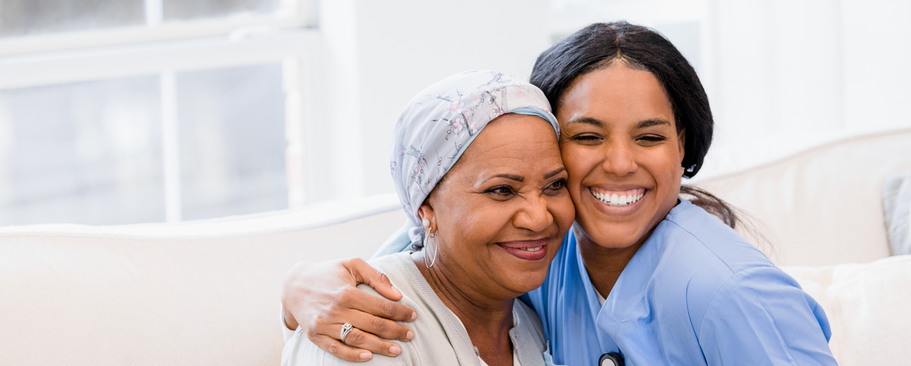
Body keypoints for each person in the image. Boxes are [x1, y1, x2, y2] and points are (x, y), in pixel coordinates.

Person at [281, 22, 837, 365]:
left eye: (649, 136)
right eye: (587, 136)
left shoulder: (730, 293)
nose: (620, 163)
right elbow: (414, 256)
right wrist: (299, 289)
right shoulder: (543, 252)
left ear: (683, 144)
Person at [281, 70, 575, 365]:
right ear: (426, 207)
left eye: (555, 185)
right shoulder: (364, 323)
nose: (539, 219)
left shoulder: (533, 321)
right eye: (502, 190)